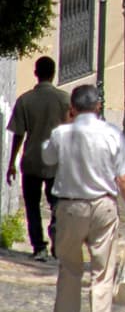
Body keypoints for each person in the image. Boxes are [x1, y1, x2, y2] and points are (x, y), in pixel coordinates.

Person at [41, 84, 125, 312]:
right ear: (98, 106)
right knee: (102, 273)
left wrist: (66, 123)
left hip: (70, 207)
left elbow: (47, 157)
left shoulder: (61, 134)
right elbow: (123, 178)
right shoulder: (112, 135)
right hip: (103, 207)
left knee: (69, 268)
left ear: (72, 108)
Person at [5, 56, 70, 261]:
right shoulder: (65, 100)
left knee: (32, 206)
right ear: (53, 73)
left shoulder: (25, 100)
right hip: (57, 162)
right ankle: (57, 237)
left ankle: (39, 247)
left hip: (32, 160)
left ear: (36, 73)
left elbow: (18, 134)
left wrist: (12, 163)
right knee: (58, 203)